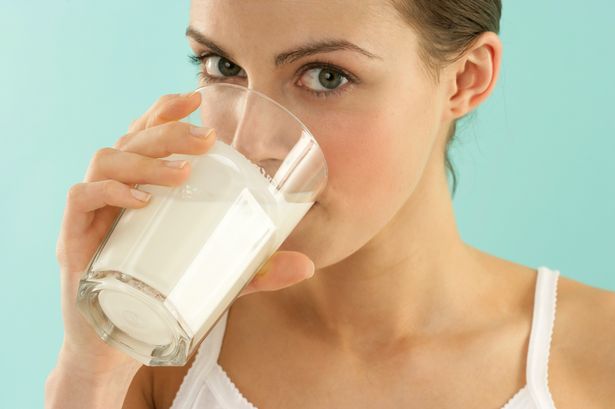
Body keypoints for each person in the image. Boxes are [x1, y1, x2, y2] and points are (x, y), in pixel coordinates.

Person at [45, 1, 615, 408]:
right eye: (223, 67)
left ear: (464, 80)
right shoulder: (161, 353)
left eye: (325, 76)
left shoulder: (599, 355)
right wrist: (91, 367)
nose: (249, 144)